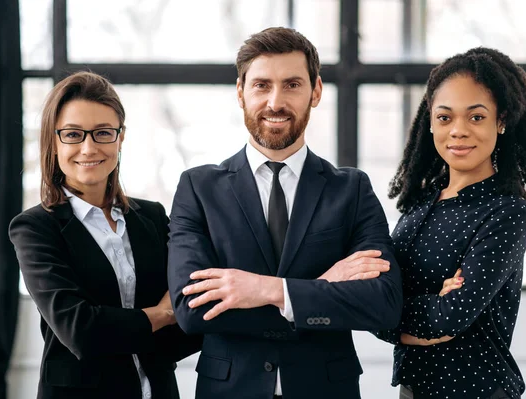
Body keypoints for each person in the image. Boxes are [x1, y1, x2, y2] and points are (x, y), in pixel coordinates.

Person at [167, 27, 403, 399]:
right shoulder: (199, 188)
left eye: (292, 84)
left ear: (316, 91)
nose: (275, 102)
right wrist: (319, 290)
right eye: (262, 85)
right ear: (240, 92)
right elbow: (193, 309)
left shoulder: (351, 189)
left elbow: (383, 303)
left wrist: (265, 289)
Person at [8, 71, 202, 399]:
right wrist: (163, 313)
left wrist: (170, 316)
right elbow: (80, 330)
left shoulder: (152, 216)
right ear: (53, 141)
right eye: (72, 134)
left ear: (120, 137)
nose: (89, 147)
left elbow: (192, 314)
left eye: (102, 133)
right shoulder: (35, 228)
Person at [376, 47, 526, 399]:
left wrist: (391, 312)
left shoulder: (506, 213)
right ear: (430, 122)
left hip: (478, 391)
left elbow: (450, 316)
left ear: (500, 121)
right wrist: (401, 311)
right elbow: (373, 302)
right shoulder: (420, 206)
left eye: (475, 117)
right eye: (445, 118)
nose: (458, 131)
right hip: (413, 390)